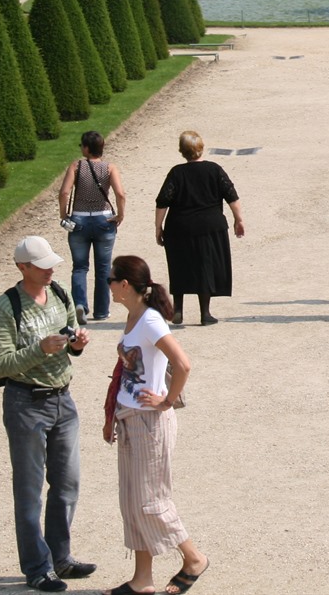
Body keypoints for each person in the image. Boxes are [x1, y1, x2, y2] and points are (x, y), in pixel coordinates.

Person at [0, 236, 95, 593]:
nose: (51, 270)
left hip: (64, 400)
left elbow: (69, 341)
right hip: (26, 404)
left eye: (52, 265)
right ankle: (36, 567)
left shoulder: (60, 294)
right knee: (29, 490)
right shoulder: (5, 307)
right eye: (43, 266)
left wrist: (76, 344)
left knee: (67, 484)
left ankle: (60, 558)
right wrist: (39, 349)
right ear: (22, 268)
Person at [103, 255, 209, 595]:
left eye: (111, 279)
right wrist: (111, 415)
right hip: (129, 418)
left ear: (124, 285)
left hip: (150, 423)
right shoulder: (133, 316)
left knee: (151, 501)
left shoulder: (149, 320)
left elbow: (183, 363)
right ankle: (142, 580)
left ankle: (193, 558)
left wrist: (166, 400)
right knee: (132, 502)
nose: (107, 285)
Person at [154, 130, 245, 326]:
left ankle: (178, 310)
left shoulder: (176, 173)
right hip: (209, 226)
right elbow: (232, 196)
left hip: (179, 226)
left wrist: (158, 227)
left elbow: (163, 202)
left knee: (179, 266)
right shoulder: (214, 170)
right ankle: (205, 313)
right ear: (201, 148)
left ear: (181, 151)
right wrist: (239, 220)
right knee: (206, 266)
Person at [58, 130, 127, 324]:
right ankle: (101, 311)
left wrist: (64, 216)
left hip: (79, 220)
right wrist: (120, 215)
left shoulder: (76, 166)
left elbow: (64, 193)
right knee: (103, 268)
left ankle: (80, 304)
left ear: (87, 149)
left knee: (79, 267)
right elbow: (120, 194)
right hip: (104, 220)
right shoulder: (109, 168)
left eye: (81, 145)